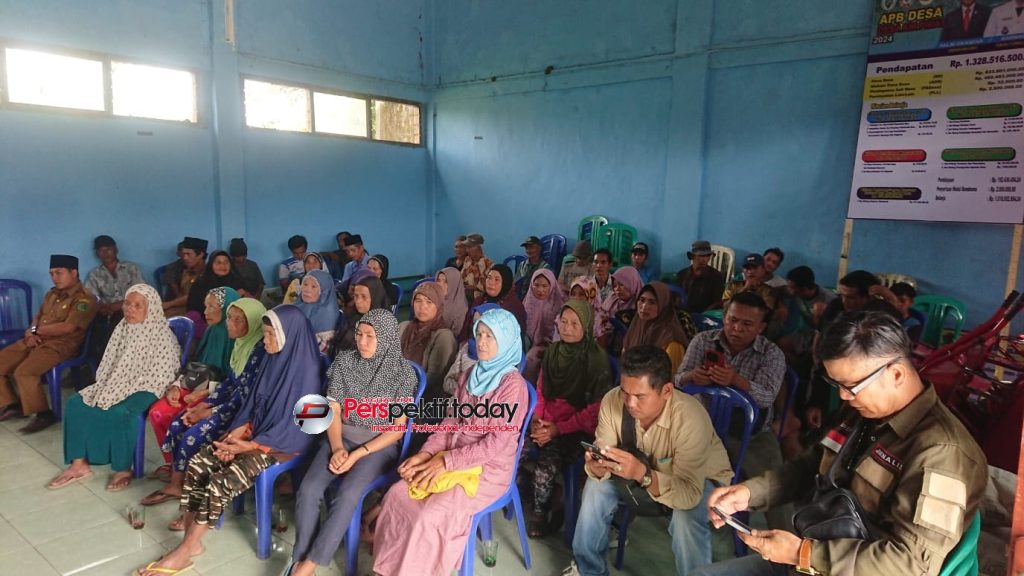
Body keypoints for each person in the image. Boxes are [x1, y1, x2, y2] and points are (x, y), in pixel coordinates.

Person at [693, 311, 988, 576]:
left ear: (896, 374)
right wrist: (749, 493)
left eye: (851, 386)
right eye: (838, 385)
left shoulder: (941, 453)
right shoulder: (863, 412)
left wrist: (802, 553)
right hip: (818, 554)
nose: (844, 396)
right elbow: (813, 464)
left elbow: (910, 564)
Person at [135, 305, 322, 576]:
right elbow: (252, 402)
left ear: (289, 336)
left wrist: (250, 446)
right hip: (254, 436)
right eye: (265, 334)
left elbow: (304, 430)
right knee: (199, 463)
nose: (265, 340)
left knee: (221, 481)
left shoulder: (309, 372)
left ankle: (183, 552)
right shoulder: (271, 359)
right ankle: (192, 543)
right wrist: (236, 433)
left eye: (271, 335)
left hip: (281, 447)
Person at [372, 308, 529, 575]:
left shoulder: (512, 387)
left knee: (430, 515)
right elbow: (448, 424)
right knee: (397, 495)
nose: (481, 342)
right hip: (450, 456)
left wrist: (446, 461)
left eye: (490, 336)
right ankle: (386, 569)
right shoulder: (470, 375)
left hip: (487, 471)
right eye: (479, 334)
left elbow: (496, 444)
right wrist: (425, 454)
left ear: (506, 341)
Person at [564, 345, 733, 576]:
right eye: (625, 392)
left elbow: (688, 493)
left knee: (686, 517)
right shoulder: (613, 401)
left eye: (640, 396)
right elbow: (604, 450)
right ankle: (589, 570)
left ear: (666, 391)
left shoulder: (690, 418)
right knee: (595, 487)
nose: (630, 403)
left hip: (698, 482)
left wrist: (642, 474)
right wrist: (598, 466)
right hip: (640, 472)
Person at [289, 309, 417, 576]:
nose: (362, 341)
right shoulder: (345, 362)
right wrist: (337, 447)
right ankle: (300, 558)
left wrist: (358, 454)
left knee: (347, 495)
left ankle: (309, 565)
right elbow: (333, 410)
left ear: (386, 338)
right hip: (341, 435)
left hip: (378, 445)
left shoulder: (403, 374)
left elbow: (397, 429)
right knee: (309, 489)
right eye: (359, 334)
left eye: (370, 336)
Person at [140, 298, 268, 522]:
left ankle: (194, 499)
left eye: (238, 320)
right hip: (227, 403)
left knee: (193, 435)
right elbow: (230, 382)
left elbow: (245, 397)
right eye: (230, 317)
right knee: (179, 422)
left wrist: (211, 412)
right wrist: (204, 404)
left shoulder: (260, 352)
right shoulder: (241, 345)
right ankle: (176, 484)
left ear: (254, 322)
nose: (230, 323)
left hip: (242, 414)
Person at [46, 284, 178, 491]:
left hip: (149, 386)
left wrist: (128, 387)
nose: (130, 309)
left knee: (121, 411)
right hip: (116, 381)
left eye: (137, 305)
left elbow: (164, 373)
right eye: (127, 303)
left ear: (150, 308)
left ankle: (123, 468)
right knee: (76, 403)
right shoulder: (122, 327)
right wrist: (111, 385)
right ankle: (79, 465)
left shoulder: (162, 334)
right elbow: (109, 362)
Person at [675, 291, 788, 529]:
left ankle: (787, 542)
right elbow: (678, 380)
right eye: (732, 320)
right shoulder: (703, 341)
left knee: (777, 487)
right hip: (703, 430)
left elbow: (767, 397)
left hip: (752, 435)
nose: (737, 329)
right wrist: (693, 376)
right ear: (724, 317)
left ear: (761, 327)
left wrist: (736, 381)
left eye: (747, 324)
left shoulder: (771, 354)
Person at [525, 300, 612, 538]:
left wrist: (557, 429)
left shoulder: (596, 359)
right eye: (563, 322)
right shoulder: (553, 351)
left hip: (576, 429)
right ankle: (536, 490)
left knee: (546, 465)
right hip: (546, 422)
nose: (567, 328)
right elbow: (541, 390)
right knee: (515, 447)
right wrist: (537, 419)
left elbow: (595, 410)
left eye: (575, 323)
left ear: (587, 325)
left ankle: (540, 513)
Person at [148, 287, 240, 478]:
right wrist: (176, 386)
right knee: (158, 412)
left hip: (216, 394)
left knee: (181, 417)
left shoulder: (236, 337)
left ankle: (188, 468)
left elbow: (233, 381)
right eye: (205, 306)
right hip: (196, 385)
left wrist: (205, 392)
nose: (206, 312)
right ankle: (173, 463)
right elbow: (194, 365)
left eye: (212, 307)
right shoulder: (211, 331)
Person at [0, 255, 98, 433]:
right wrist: (30, 333)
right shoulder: (51, 295)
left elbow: (68, 327)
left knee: (25, 372)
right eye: (51, 273)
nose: (54, 277)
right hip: (36, 340)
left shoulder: (85, 299)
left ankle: (44, 414)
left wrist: (36, 331)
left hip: (61, 345)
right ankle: (12, 405)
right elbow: (37, 318)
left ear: (73, 273)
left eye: (59, 273)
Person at [84, 235, 147, 364]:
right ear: (97, 253)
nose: (105, 253)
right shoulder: (94, 274)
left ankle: (123, 363)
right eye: (101, 250)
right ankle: (103, 364)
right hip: (107, 313)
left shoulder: (131, 268)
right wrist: (103, 308)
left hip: (131, 310)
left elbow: (142, 293)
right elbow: (91, 299)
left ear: (116, 250)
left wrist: (117, 306)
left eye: (108, 249)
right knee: (94, 327)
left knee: (120, 321)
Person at [399, 282, 457, 400]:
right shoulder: (403, 327)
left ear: (438, 305)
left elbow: (433, 378)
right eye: (418, 301)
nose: (422, 307)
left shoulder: (443, 336)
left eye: (429, 302)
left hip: (423, 398)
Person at [621, 282, 688, 373]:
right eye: (642, 300)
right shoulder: (636, 325)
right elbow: (623, 361)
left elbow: (670, 377)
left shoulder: (672, 343)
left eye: (652, 303)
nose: (644, 307)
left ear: (663, 305)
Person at [441, 303, 500, 396]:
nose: (477, 330)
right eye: (475, 324)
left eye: (484, 326)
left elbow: (488, 395)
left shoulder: (500, 357)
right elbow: (447, 383)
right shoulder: (467, 347)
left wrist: (461, 380)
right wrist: (467, 387)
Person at [185, 249, 244, 339]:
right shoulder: (201, 283)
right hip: (205, 323)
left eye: (226, 262)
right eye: (218, 263)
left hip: (232, 325)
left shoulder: (237, 281)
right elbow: (193, 309)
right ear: (211, 265)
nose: (222, 266)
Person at [523, 269, 566, 382]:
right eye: (536, 285)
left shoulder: (560, 305)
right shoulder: (528, 301)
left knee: (531, 360)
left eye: (545, 286)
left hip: (551, 345)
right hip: (527, 342)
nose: (540, 290)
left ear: (551, 286)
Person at [464, 264, 527, 339]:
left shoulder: (514, 306)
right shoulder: (479, 300)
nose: (491, 283)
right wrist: (464, 341)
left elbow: (516, 336)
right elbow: (466, 328)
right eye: (489, 278)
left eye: (496, 279)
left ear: (505, 283)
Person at [335, 272, 390, 353]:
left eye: (364, 297)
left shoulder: (382, 325)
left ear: (375, 297)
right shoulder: (352, 316)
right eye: (356, 296)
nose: (358, 301)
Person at [294, 270, 341, 354]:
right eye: (305, 284)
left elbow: (322, 351)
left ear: (324, 291)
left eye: (314, 286)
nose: (307, 290)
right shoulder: (297, 305)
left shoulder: (327, 314)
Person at [163, 236, 208, 318]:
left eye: (188, 254)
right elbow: (181, 294)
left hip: (198, 312)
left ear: (200, 255)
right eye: (183, 254)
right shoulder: (186, 271)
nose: (185, 258)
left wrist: (169, 304)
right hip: (180, 308)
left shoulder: (208, 273)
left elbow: (193, 296)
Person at [597, 265, 643, 344]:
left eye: (621, 285)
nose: (617, 289)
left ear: (633, 283)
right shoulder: (612, 299)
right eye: (614, 286)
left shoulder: (641, 305)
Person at [676, 240, 725, 313]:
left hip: (706, 315)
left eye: (708, 256)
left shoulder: (716, 276)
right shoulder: (682, 275)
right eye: (701, 256)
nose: (705, 259)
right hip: (683, 313)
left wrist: (705, 313)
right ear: (692, 256)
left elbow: (718, 302)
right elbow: (677, 297)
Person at [514, 235, 550, 300]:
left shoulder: (544, 267)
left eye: (531, 247)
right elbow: (516, 283)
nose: (528, 250)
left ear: (539, 249)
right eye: (526, 248)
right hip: (520, 297)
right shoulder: (522, 265)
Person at [435, 267, 468, 334]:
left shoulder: (460, 308)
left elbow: (454, 335)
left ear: (454, 283)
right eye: (438, 280)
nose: (440, 285)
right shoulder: (434, 299)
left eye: (445, 282)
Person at [460, 233, 492, 301]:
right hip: (463, 295)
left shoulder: (488, 265)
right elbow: (461, 278)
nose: (467, 250)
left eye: (469, 247)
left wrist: (472, 287)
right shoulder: (467, 260)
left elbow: (485, 289)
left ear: (479, 248)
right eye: (466, 247)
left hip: (477, 299)